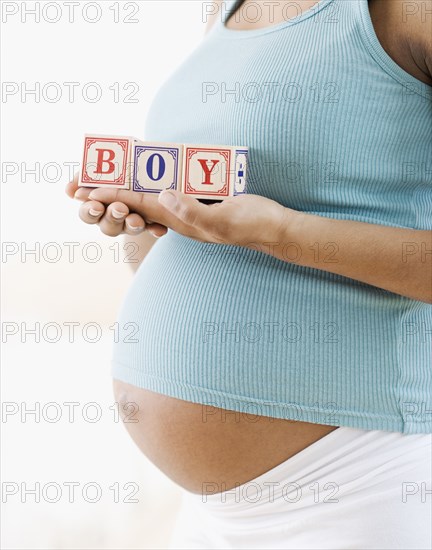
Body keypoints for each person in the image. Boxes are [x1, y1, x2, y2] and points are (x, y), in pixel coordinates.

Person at [66, 0, 432, 548]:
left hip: (353, 484)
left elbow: (262, 232)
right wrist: (146, 218)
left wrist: (278, 232)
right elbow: (175, 262)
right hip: (209, 511)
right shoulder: (222, 10)